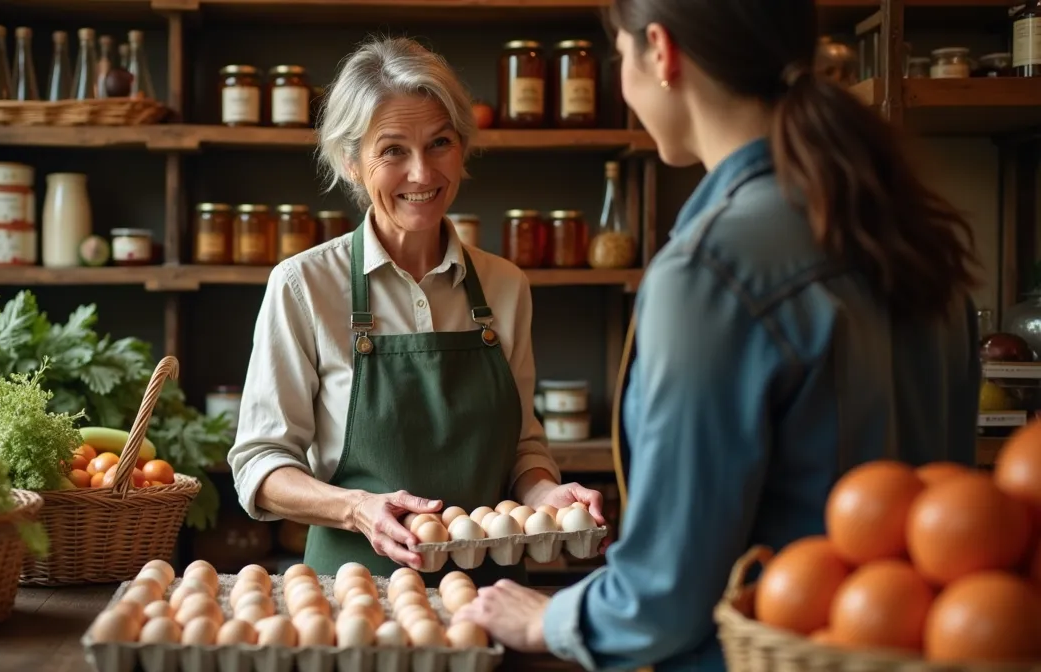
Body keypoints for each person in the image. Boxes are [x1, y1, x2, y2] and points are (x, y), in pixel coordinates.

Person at [453, 0, 981, 668]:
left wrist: (551, 619)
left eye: (619, 57)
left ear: (661, 50)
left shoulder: (711, 269)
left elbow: (664, 596)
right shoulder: (910, 232)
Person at [226, 36, 606, 584]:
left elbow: (523, 446)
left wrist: (545, 492)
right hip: (353, 591)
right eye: (393, 151)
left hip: (489, 596)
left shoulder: (505, 286)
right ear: (351, 162)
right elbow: (260, 464)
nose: (423, 174)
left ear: (463, 147)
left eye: (440, 143)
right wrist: (356, 508)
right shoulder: (304, 286)